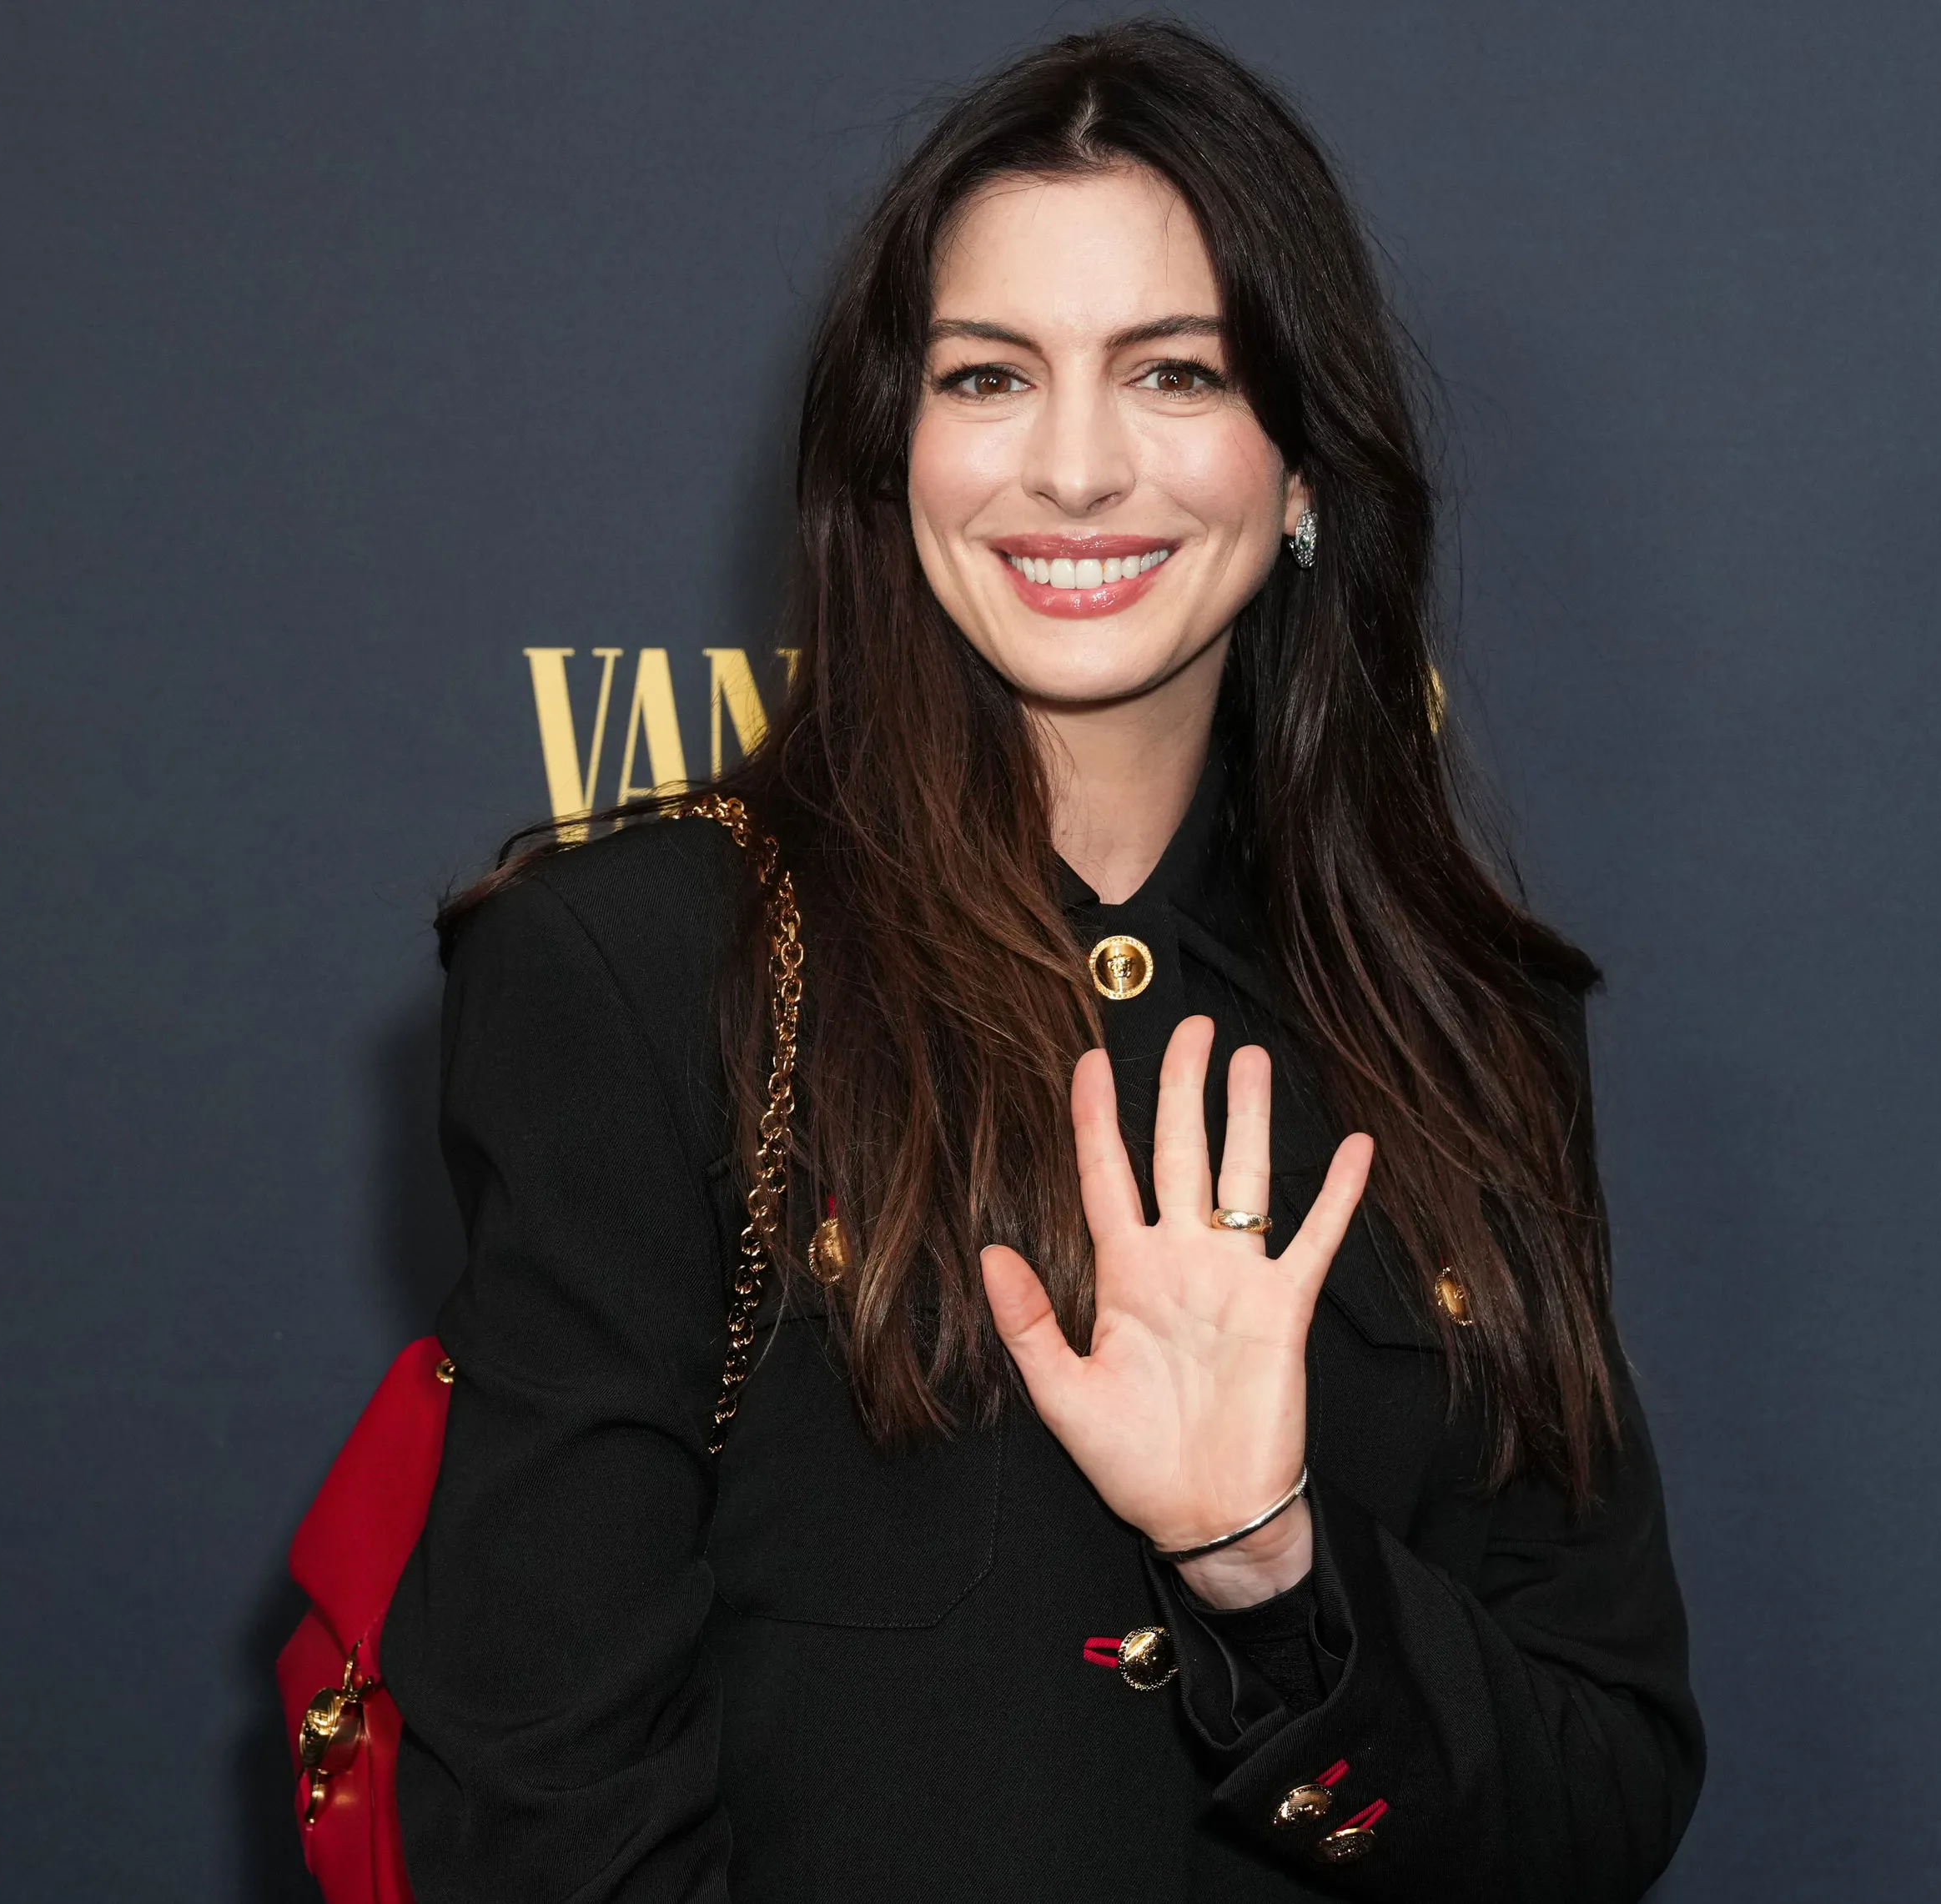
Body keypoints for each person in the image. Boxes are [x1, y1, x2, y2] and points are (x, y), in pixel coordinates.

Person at [383, 21, 1700, 1900]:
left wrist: (1274, 1567)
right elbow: (540, 1811)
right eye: (989, 376)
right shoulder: (644, 974)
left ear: (1302, 460)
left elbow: (1599, 1800)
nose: (1075, 469)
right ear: (894, 448)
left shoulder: (1464, 1021)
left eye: (1174, 371)